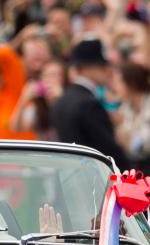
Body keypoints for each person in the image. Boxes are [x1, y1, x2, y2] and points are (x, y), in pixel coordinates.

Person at [52, 38, 128, 168]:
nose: (107, 70)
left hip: (68, 178)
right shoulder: (88, 103)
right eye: (101, 65)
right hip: (91, 180)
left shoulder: (62, 100)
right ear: (85, 68)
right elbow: (108, 151)